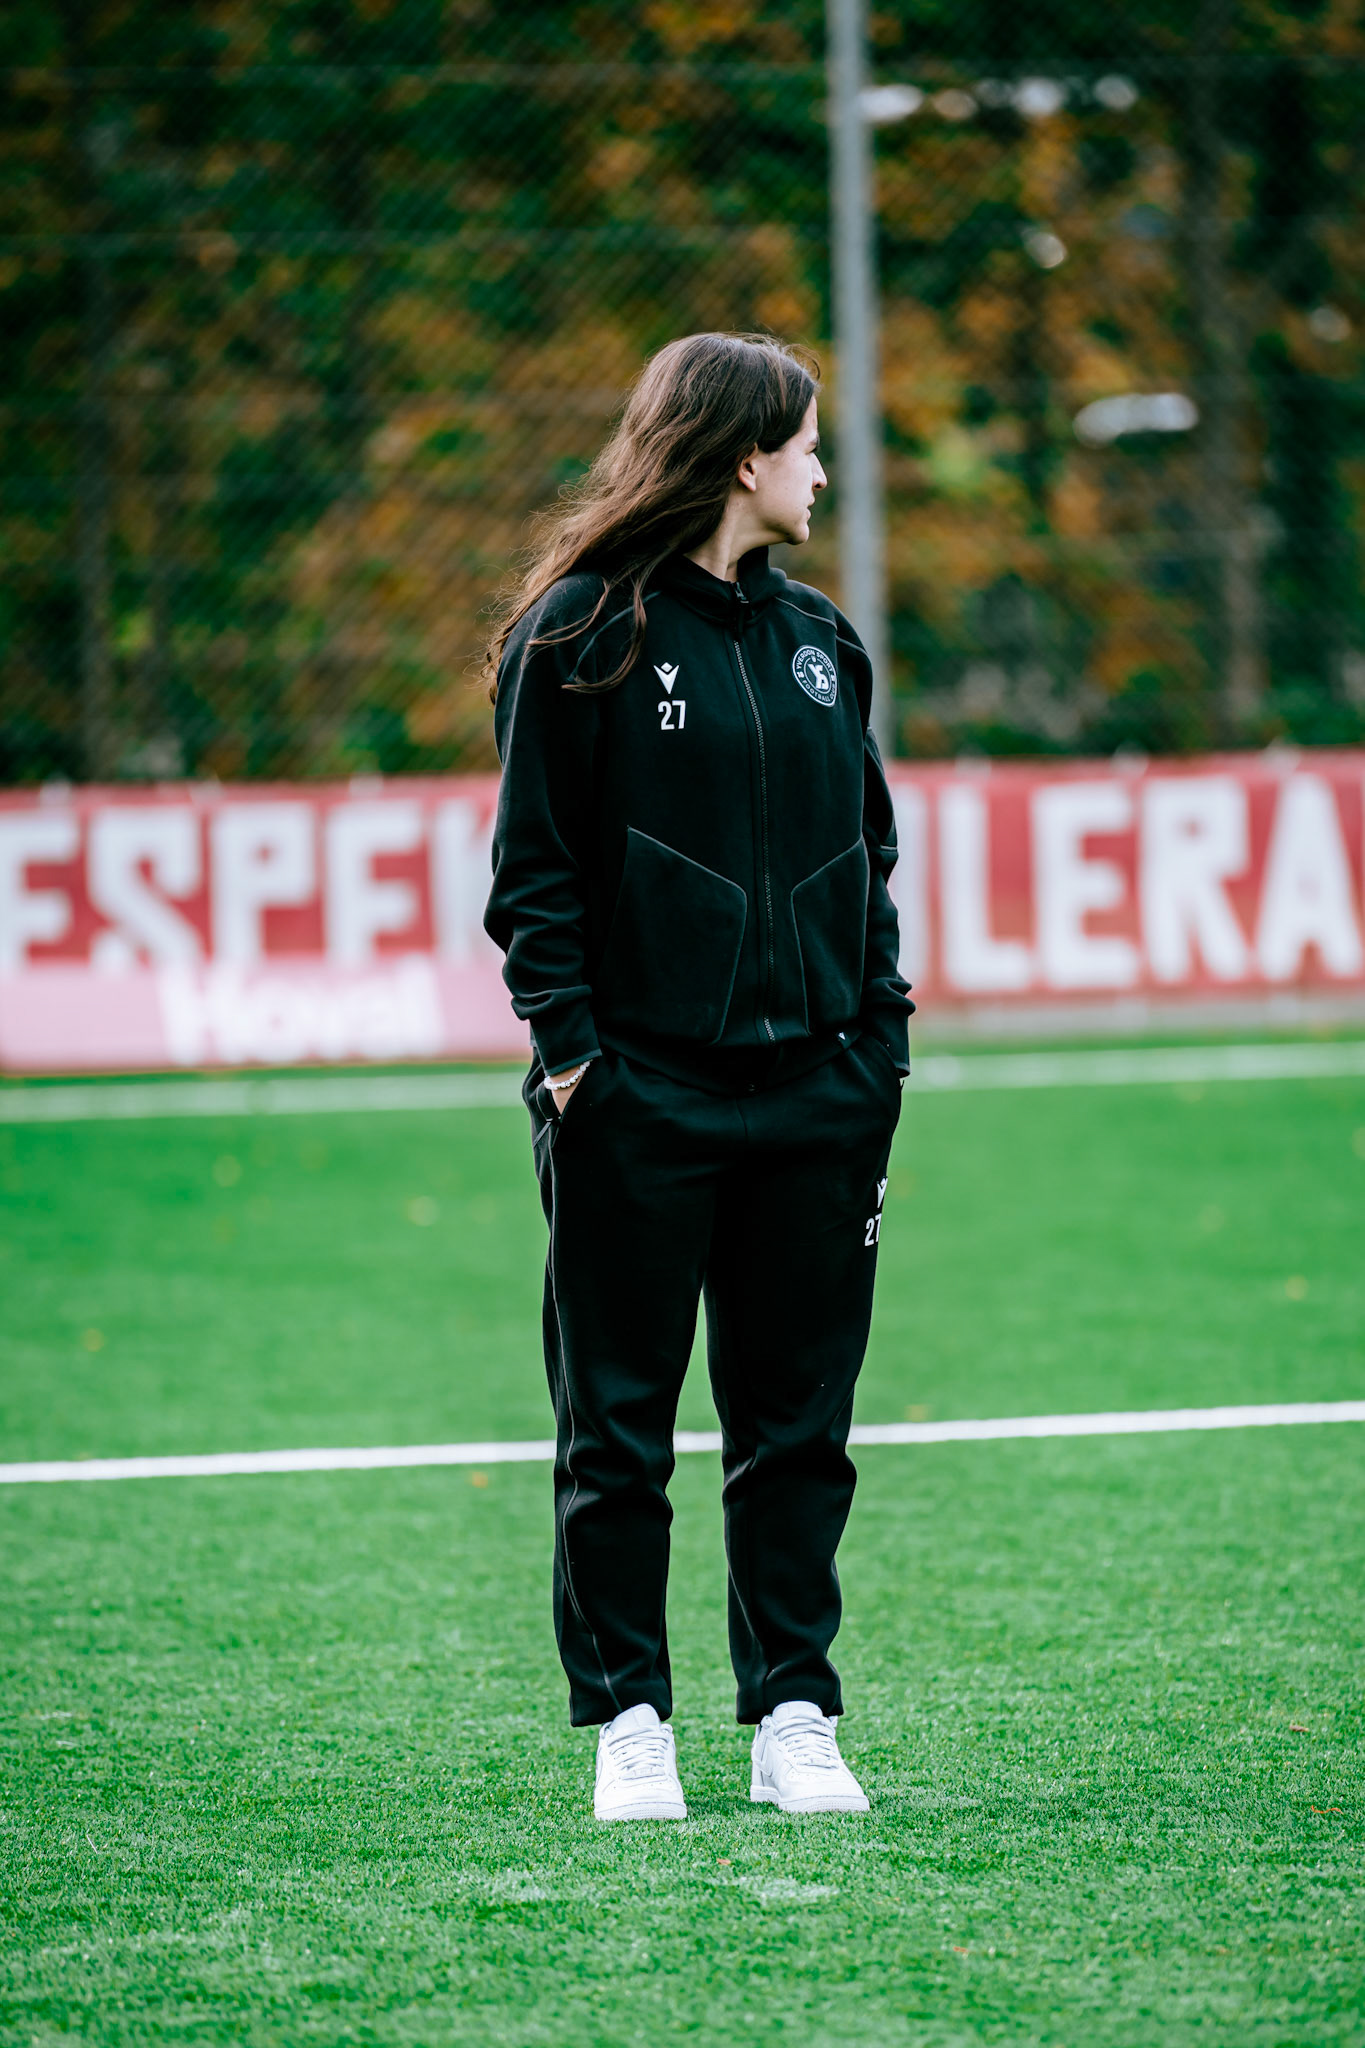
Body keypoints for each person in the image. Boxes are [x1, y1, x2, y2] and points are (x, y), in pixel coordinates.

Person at [483, 332, 911, 1822]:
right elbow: (531, 880)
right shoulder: (577, 632)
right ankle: (629, 1722)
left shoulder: (821, 645)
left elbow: (871, 864)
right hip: (636, 1104)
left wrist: (879, 1051)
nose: (819, 468)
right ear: (743, 454)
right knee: (618, 1432)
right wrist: (579, 1068)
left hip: (818, 1101)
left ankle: (793, 1712)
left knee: (797, 1433)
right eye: (803, 443)